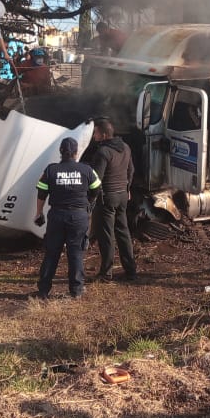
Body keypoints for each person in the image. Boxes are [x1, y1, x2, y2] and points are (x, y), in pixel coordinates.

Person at [34, 137, 101, 300]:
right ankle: (76, 291)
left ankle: (43, 290)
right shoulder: (87, 169)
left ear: (61, 152)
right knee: (76, 253)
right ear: (76, 152)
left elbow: (42, 193)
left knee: (52, 253)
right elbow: (97, 189)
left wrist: (38, 212)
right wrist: (88, 204)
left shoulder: (51, 170)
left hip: (57, 215)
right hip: (79, 216)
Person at [90, 118, 137, 281]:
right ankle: (131, 270)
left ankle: (106, 273)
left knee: (106, 236)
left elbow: (96, 179)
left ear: (103, 135)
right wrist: (127, 188)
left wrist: (91, 199)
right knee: (123, 232)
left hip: (107, 199)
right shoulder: (125, 147)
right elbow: (131, 170)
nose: (93, 136)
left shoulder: (103, 152)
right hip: (122, 196)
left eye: (95, 133)